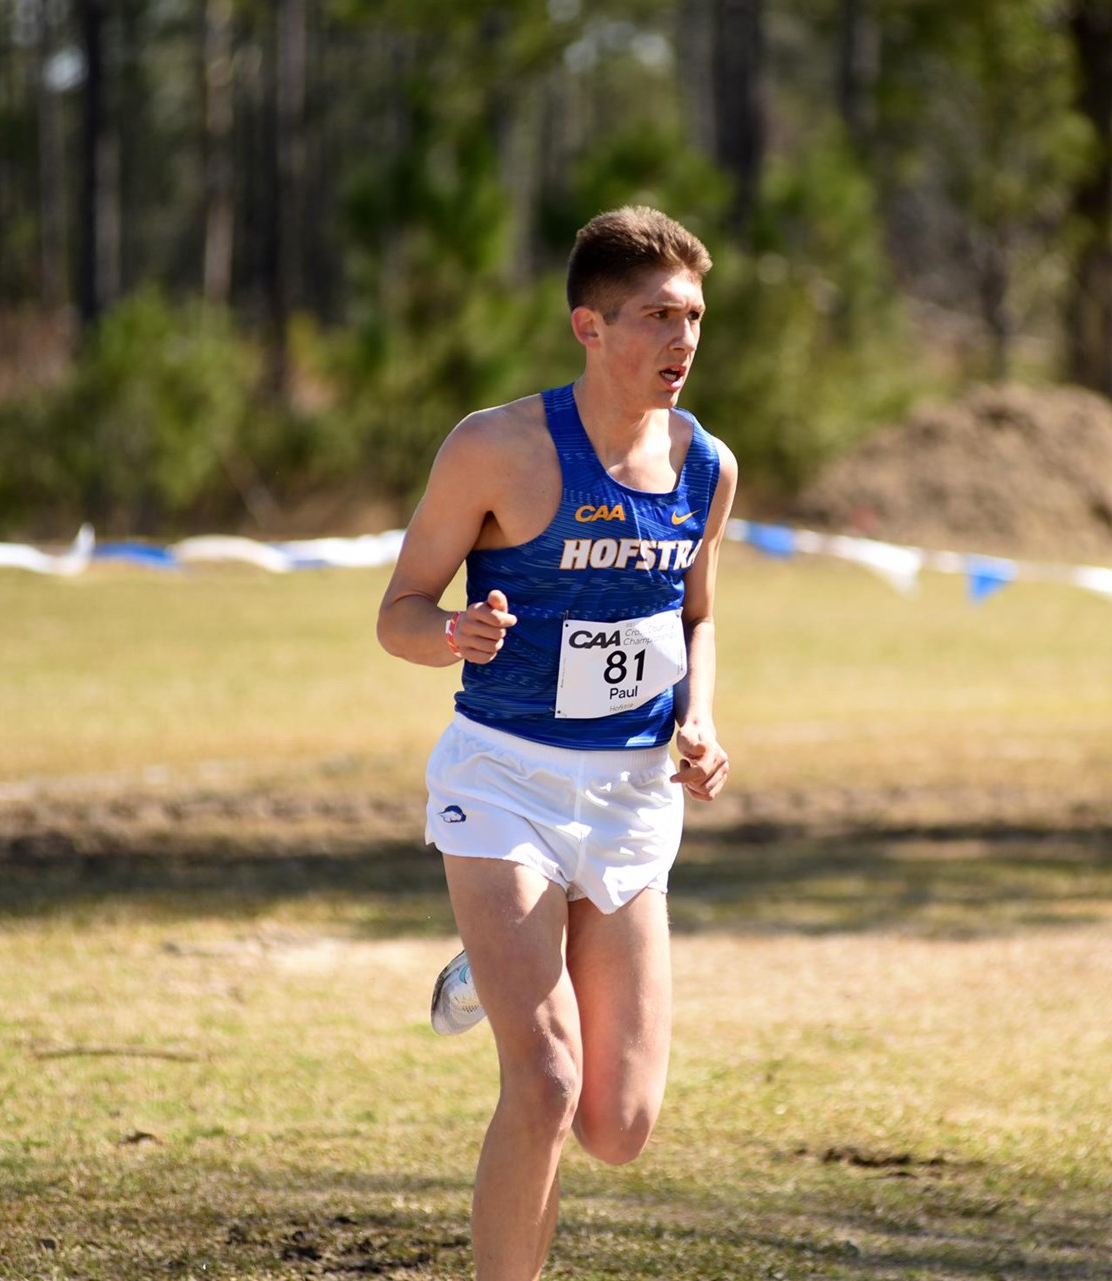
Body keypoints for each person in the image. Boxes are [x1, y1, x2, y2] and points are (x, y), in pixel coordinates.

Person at [375, 205, 737, 1281]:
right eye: (658, 318)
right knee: (545, 1085)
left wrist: (699, 717)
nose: (683, 343)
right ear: (589, 326)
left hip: (629, 798)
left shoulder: (705, 465)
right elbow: (398, 611)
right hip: (506, 784)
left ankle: (499, 966)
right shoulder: (496, 448)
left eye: (697, 319)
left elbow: (698, 617)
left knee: (618, 1126)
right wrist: (453, 633)